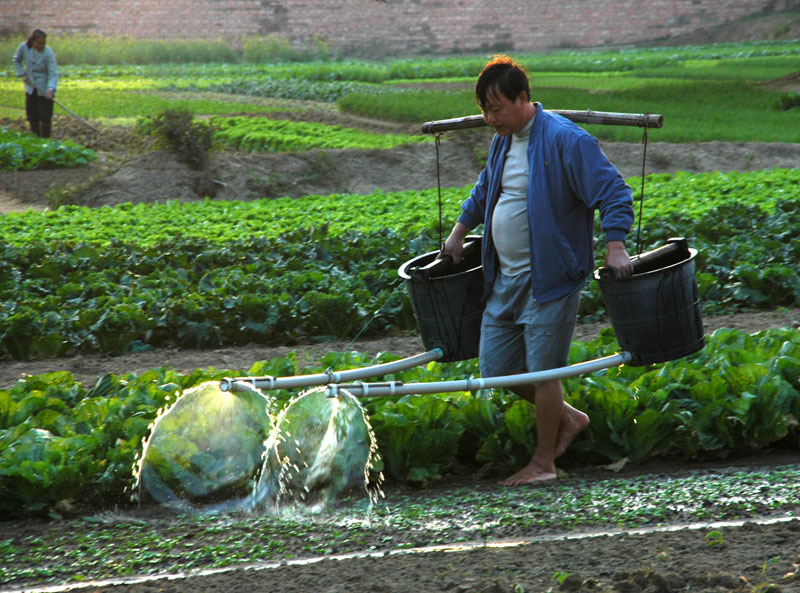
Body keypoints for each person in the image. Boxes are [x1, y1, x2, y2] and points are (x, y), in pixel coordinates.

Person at [442, 55, 634, 486]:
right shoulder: (502, 141)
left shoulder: (567, 140)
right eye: (484, 110)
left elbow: (614, 190)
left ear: (523, 99)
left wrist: (616, 245)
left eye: (496, 108)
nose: (489, 118)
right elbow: (484, 190)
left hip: (551, 278)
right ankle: (568, 418)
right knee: (496, 369)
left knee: (544, 370)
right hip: (505, 276)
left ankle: (543, 463)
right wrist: (458, 233)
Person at [13, 29, 58, 138]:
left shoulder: (48, 52)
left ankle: (46, 139)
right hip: (30, 87)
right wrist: (22, 74)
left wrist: (50, 89)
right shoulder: (24, 47)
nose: (41, 46)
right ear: (32, 42)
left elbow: (53, 73)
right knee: (33, 116)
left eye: (43, 43)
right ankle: (35, 139)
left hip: (44, 89)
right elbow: (16, 60)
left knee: (45, 117)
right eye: (38, 43)